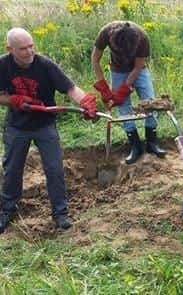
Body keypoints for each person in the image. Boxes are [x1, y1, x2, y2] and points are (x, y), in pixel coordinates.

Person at [0, 28, 98, 234]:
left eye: (31, 46)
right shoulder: (3, 65)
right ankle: (7, 210)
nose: (29, 52)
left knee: (54, 169)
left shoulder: (44, 65)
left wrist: (85, 102)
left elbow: (70, 89)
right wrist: (12, 100)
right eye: (23, 49)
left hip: (45, 126)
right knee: (12, 170)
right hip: (17, 127)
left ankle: (60, 213)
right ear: (10, 49)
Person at [91, 20, 166, 164]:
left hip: (140, 71)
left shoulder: (142, 37)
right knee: (123, 107)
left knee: (150, 101)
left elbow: (138, 68)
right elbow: (95, 60)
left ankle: (152, 142)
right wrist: (103, 85)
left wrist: (124, 89)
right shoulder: (106, 32)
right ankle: (135, 145)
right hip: (117, 71)